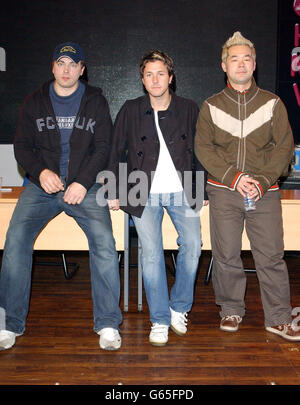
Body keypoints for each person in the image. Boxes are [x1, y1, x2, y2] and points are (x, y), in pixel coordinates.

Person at [0, 42, 122, 351]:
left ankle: (107, 323)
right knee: (14, 242)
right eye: (61, 63)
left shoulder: (95, 101)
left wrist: (82, 182)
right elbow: (22, 146)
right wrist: (41, 172)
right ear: (53, 67)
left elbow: (103, 146)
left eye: (73, 64)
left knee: (105, 245)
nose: (66, 69)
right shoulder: (34, 102)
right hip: (41, 188)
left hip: (85, 186)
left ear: (82, 70)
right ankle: (9, 323)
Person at [195, 31, 300, 341]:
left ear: (254, 65)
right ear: (224, 66)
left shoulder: (272, 103)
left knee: (271, 256)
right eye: (234, 59)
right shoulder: (211, 106)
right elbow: (203, 148)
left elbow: (284, 148)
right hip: (224, 191)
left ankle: (278, 318)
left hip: (264, 193)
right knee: (226, 254)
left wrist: (263, 181)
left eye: (246, 59)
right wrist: (235, 177)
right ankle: (230, 310)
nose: (240, 65)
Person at [107, 50, 206, 346]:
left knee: (193, 245)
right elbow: (116, 151)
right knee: (150, 254)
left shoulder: (189, 108)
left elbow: (200, 152)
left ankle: (179, 307)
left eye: (160, 73)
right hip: (142, 190)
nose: (155, 79)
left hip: (182, 188)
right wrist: (113, 190)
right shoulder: (130, 109)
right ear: (142, 79)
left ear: (171, 78)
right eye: (149, 74)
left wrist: (200, 190)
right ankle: (160, 318)